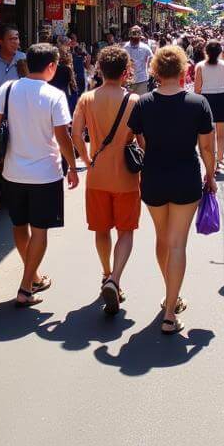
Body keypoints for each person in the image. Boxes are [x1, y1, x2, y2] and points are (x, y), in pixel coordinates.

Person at [127, 45, 216, 334]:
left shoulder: (143, 103)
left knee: (162, 238)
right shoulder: (197, 103)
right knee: (177, 243)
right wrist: (211, 175)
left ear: (154, 71)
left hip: (152, 175)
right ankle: (170, 310)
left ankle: (170, 294)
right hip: (185, 176)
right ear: (183, 71)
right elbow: (206, 147)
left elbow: (138, 139)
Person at [0, 43, 79, 307]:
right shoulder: (55, 95)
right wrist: (72, 166)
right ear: (51, 66)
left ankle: (32, 274)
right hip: (45, 174)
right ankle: (26, 287)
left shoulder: (8, 88)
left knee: (19, 225)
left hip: (13, 172)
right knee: (40, 231)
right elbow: (62, 136)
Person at [72, 46, 140, 314]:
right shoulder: (134, 101)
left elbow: (76, 134)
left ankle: (105, 272)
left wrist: (86, 161)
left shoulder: (87, 99)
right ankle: (115, 279)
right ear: (126, 72)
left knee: (101, 229)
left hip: (97, 176)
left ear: (99, 70)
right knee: (126, 231)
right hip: (126, 177)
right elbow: (143, 141)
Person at [195, 39, 224, 169]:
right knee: (221, 134)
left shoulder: (200, 66)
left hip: (206, 100)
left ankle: (211, 160)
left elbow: (197, 89)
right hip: (222, 99)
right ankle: (219, 159)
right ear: (220, 52)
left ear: (205, 51)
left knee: (209, 134)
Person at [124, 26, 153, 95]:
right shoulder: (125, 48)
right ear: (130, 38)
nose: (134, 40)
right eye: (133, 38)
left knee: (141, 101)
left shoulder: (145, 48)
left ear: (140, 38)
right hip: (129, 80)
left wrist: (149, 68)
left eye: (136, 39)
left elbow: (152, 59)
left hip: (142, 79)